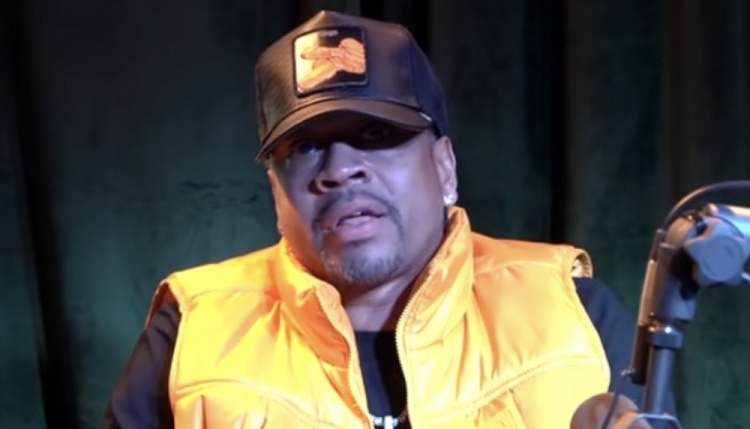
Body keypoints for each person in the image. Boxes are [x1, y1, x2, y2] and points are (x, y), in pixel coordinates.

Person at [101, 10, 669, 429]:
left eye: (376, 134)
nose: (339, 169)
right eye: (304, 147)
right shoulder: (191, 327)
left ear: (444, 167)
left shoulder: (573, 311)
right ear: (277, 194)